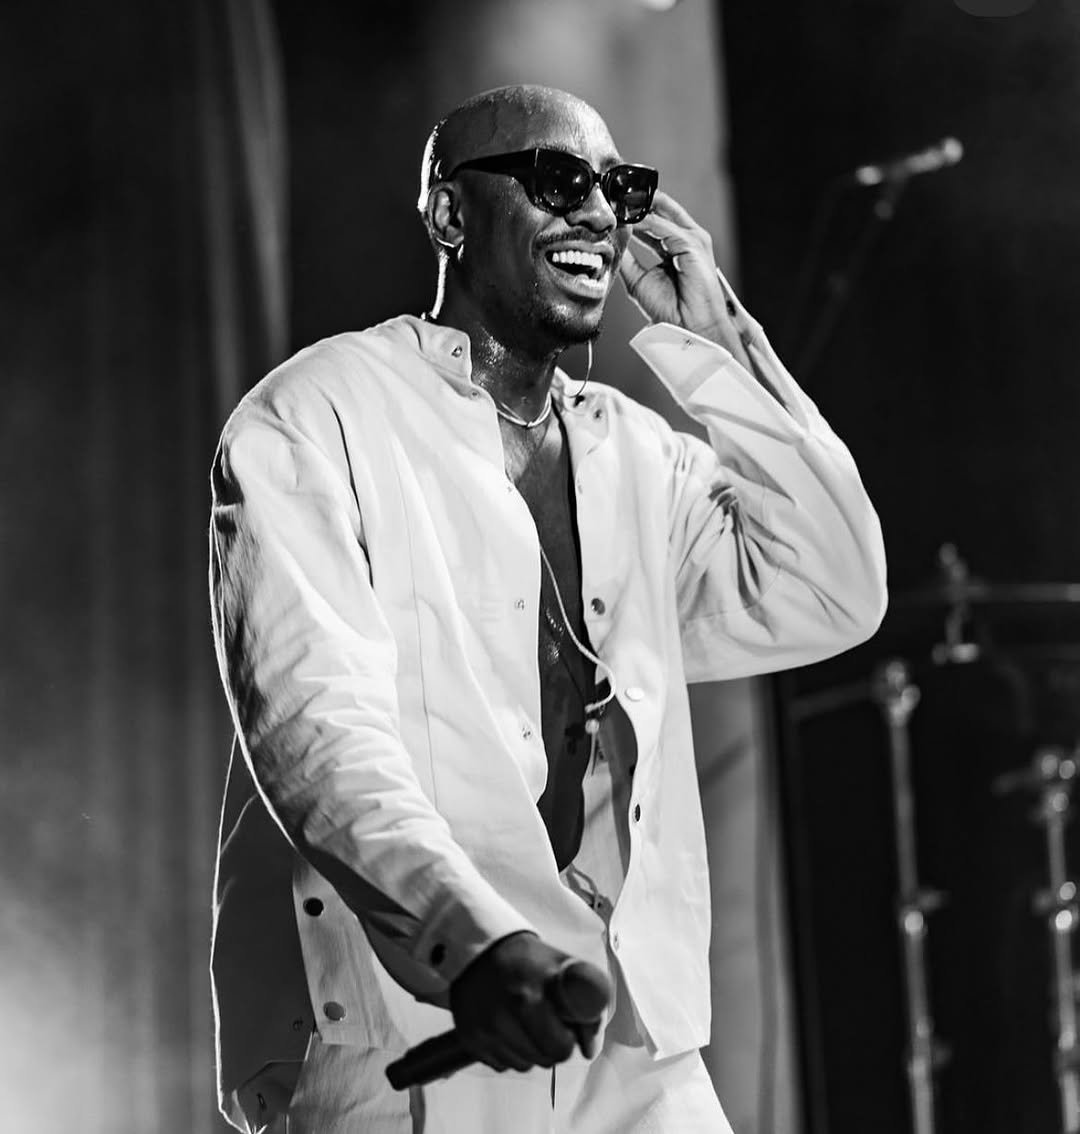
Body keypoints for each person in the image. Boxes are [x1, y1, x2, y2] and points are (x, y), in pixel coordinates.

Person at [208, 84, 887, 1134]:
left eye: (620, 189)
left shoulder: (638, 454)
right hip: (422, 1026)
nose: (600, 214)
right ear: (450, 214)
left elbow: (834, 585)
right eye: (558, 180)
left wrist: (713, 336)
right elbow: (313, 726)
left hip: (629, 1038)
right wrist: (467, 944)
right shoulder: (319, 414)